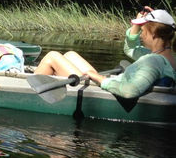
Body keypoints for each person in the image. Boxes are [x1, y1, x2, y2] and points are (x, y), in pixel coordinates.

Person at [34, 7, 176, 98]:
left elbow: (128, 91)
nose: (141, 35)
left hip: (108, 88)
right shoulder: (164, 58)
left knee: (52, 56)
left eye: (143, 31)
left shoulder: (153, 61)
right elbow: (130, 49)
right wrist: (137, 24)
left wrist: (98, 78)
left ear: (155, 34)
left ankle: (28, 93)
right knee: (70, 55)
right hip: (111, 83)